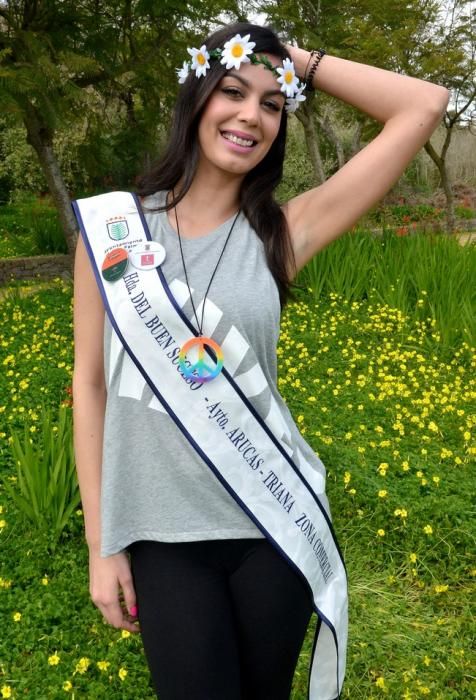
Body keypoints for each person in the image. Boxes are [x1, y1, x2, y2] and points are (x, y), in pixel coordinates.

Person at [72, 21, 448, 700]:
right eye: (233, 91)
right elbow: (90, 385)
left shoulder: (283, 231)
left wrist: (290, 56)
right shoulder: (111, 231)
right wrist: (104, 544)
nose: (251, 115)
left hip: (271, 525)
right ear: (198, 100)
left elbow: (421, 104)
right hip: (163, 536)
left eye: (273, 104)